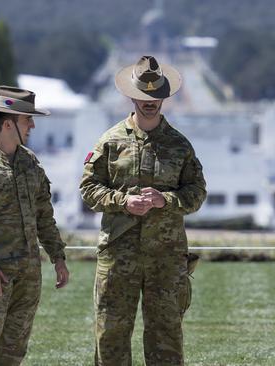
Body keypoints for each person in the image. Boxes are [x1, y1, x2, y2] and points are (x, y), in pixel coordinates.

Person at [80, 55, 206, 365]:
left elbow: (197, 192)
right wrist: (123, 202)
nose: (150, 102)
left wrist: (166, 200)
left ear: (164, 97)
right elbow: (88, 190)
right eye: (144, 96)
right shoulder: (110, 143)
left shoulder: (180, 146)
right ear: (131, 95)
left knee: (166, 338)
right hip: (118, 257)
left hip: (166, 257)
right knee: (111, 336)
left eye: (156, 97)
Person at [0, 85, 70, 365]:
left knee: (13, 353)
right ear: (8, 124)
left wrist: (58, 257)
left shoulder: (31, 163)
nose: (32, 125)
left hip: (29, 277)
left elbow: (44, 215)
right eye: (26, 120)